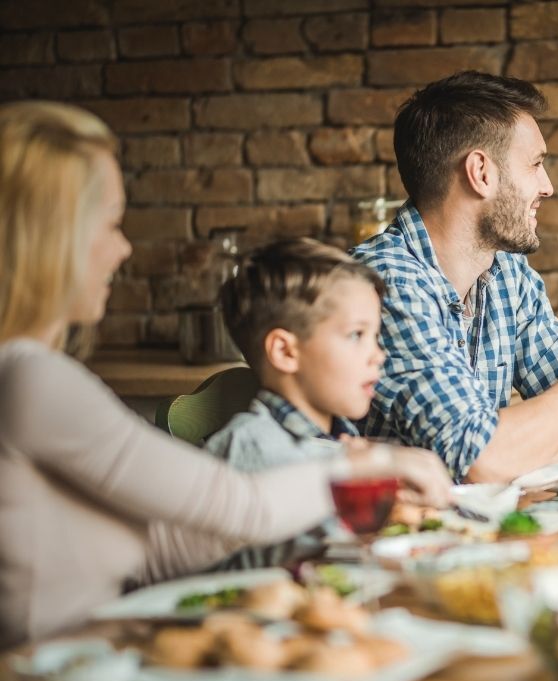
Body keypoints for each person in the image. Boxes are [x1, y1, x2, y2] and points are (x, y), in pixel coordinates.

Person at [0, 101, 452, 649]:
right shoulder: (30, 383)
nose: (124, 249)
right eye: (112, 224)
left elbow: (164, 547)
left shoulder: (32, 379)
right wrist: (374, 464)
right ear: (52, 236)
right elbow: (239, 506)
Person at [352, 71, 558, 483]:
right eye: (535, 164)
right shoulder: (382, 282)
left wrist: (511, 457)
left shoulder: (509, 273)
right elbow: (481, 459)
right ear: (481, 173)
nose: (548, 187)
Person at [204, 238, 448, 569]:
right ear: (285, 352)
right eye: (356, 335)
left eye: (376, 336)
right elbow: (309, 544)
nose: (378, 355)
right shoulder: (250, 447)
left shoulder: (339, 442)